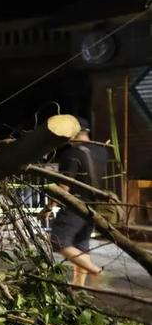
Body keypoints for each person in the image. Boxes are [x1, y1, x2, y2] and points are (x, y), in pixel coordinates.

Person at [49, 117, 109, 286]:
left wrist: (49, 206)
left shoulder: (72, 154)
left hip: (76, 204)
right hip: (94, 204)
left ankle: (94, 270)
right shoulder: (102, 152)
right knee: (81, 245)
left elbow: (65, 185)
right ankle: (78, 287)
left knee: (57, 239)